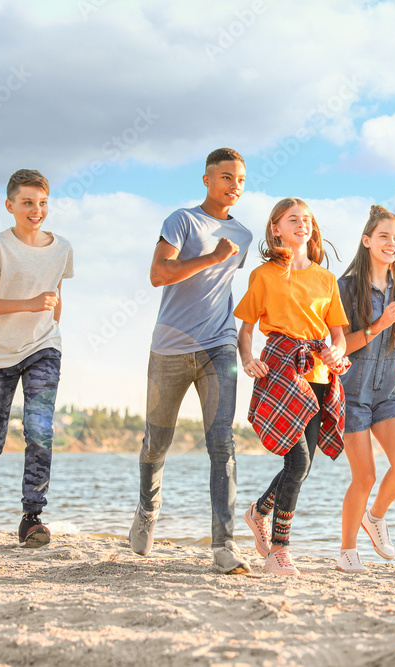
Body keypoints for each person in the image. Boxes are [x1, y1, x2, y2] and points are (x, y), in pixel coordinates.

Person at [129, 148, 254, 575]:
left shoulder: (246, 236)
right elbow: (159, 274)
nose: (233, 185)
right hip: (170, 347)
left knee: (222, 443)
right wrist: (212, 258)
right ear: (205, 179)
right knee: (156, 442)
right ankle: (148, 509)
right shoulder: (182, 221)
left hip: (219, 345)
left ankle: (224, 546)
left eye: (239, 178)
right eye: (225, 177)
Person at [0, 169, 74, 574]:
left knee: (39, 429)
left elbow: (56, 299)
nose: (35, 210)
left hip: (44, 348)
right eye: (27, 203)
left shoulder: (62, 248)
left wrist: (50, 325)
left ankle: (32, 518)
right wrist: (29, 303)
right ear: (10, 206)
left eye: (41, 203)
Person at [235, 197, 350, 576]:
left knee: (303, 465)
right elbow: (247, 327)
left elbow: (338, 335)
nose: (302, 224)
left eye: (307, 220)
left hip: (318, 375)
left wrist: (336, 353)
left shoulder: (326, 279)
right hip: (280, 369)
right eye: (292, 219)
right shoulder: (264, 275)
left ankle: (258, 513)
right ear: (276, 228)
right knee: (297, 460)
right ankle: (279, 552)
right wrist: (248, 358)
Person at [335, 205, 395, 573]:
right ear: (367, 241)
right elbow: (340, 346)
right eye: (384, 236)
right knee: (365, 476)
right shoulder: (346, 286)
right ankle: (347, 551)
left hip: (388, 392)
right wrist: (378, 323)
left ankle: (375, 517)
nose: (391, 244)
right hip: (351, 393)